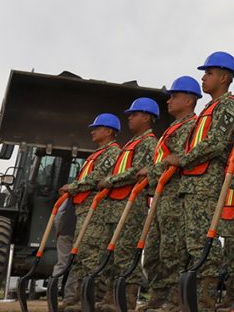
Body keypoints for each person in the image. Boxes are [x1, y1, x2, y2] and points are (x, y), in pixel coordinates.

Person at [162, 51, 234, 309]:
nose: (203, 78)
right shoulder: (210, 109)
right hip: (191, 185)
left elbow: (217, 144)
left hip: (206, 186)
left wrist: (182, 158)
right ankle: (189, 303)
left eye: (209, 73)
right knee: (188, 247)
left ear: (224, 77)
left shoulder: (229, 107)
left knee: (203, 247)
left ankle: (205, 304)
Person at [89, 98, 159, 311]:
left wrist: (108, 181)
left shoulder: (148, 142)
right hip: (115, 205)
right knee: (111, 255)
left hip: (131, 204)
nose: (129, 118)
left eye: (134, 114)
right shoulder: (131, 143)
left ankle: (125, 302)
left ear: (146, 117)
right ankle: (110, 299)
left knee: (125, 255)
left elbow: (137, 171)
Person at [140, 77, 200, 311]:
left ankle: (174, 299)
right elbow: (163, 161)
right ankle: (158, 297)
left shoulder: (190, 126)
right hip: (161, 194)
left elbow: (173, 161)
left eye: (174, 96)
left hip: (175, 195)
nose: (169, 100)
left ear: (189, 99)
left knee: (172, 251)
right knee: (154, 251)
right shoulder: (172, 128)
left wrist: (152, 171)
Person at [57, 114, 122, 312]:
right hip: (83, 208)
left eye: (97, 127)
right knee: (80, 255)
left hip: (96, 210)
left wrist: (72, 187)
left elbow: (96, 178)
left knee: (91, 255)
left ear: (109, 131)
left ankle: (88, 299)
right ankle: (76, 298)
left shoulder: (111, 153)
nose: (92, 131)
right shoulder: (98, 153)